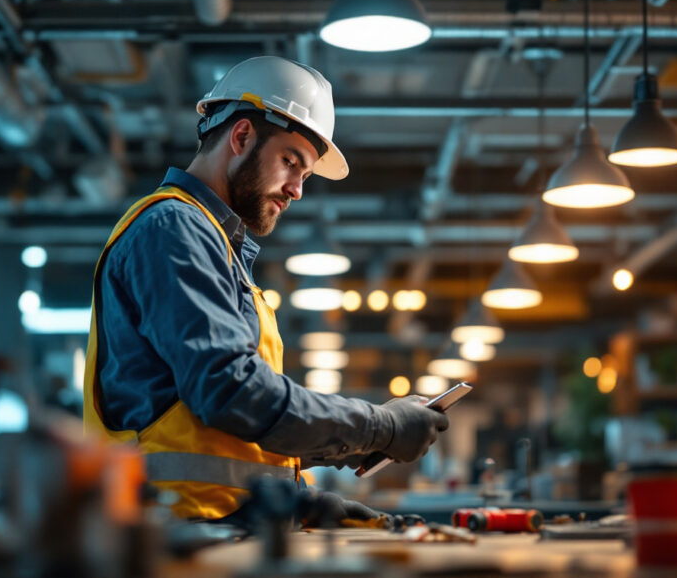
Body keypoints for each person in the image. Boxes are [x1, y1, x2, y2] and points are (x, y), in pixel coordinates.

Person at [82, 56, 449, 523]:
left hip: (217, 533)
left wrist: (304, 501)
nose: (297, 189)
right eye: (290, 162)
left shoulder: (217, 245)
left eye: (306, 175)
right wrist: (380, 427)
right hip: (175, 539)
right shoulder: (173, 229)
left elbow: (224, 438)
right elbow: (230, 391)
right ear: (241, 137)